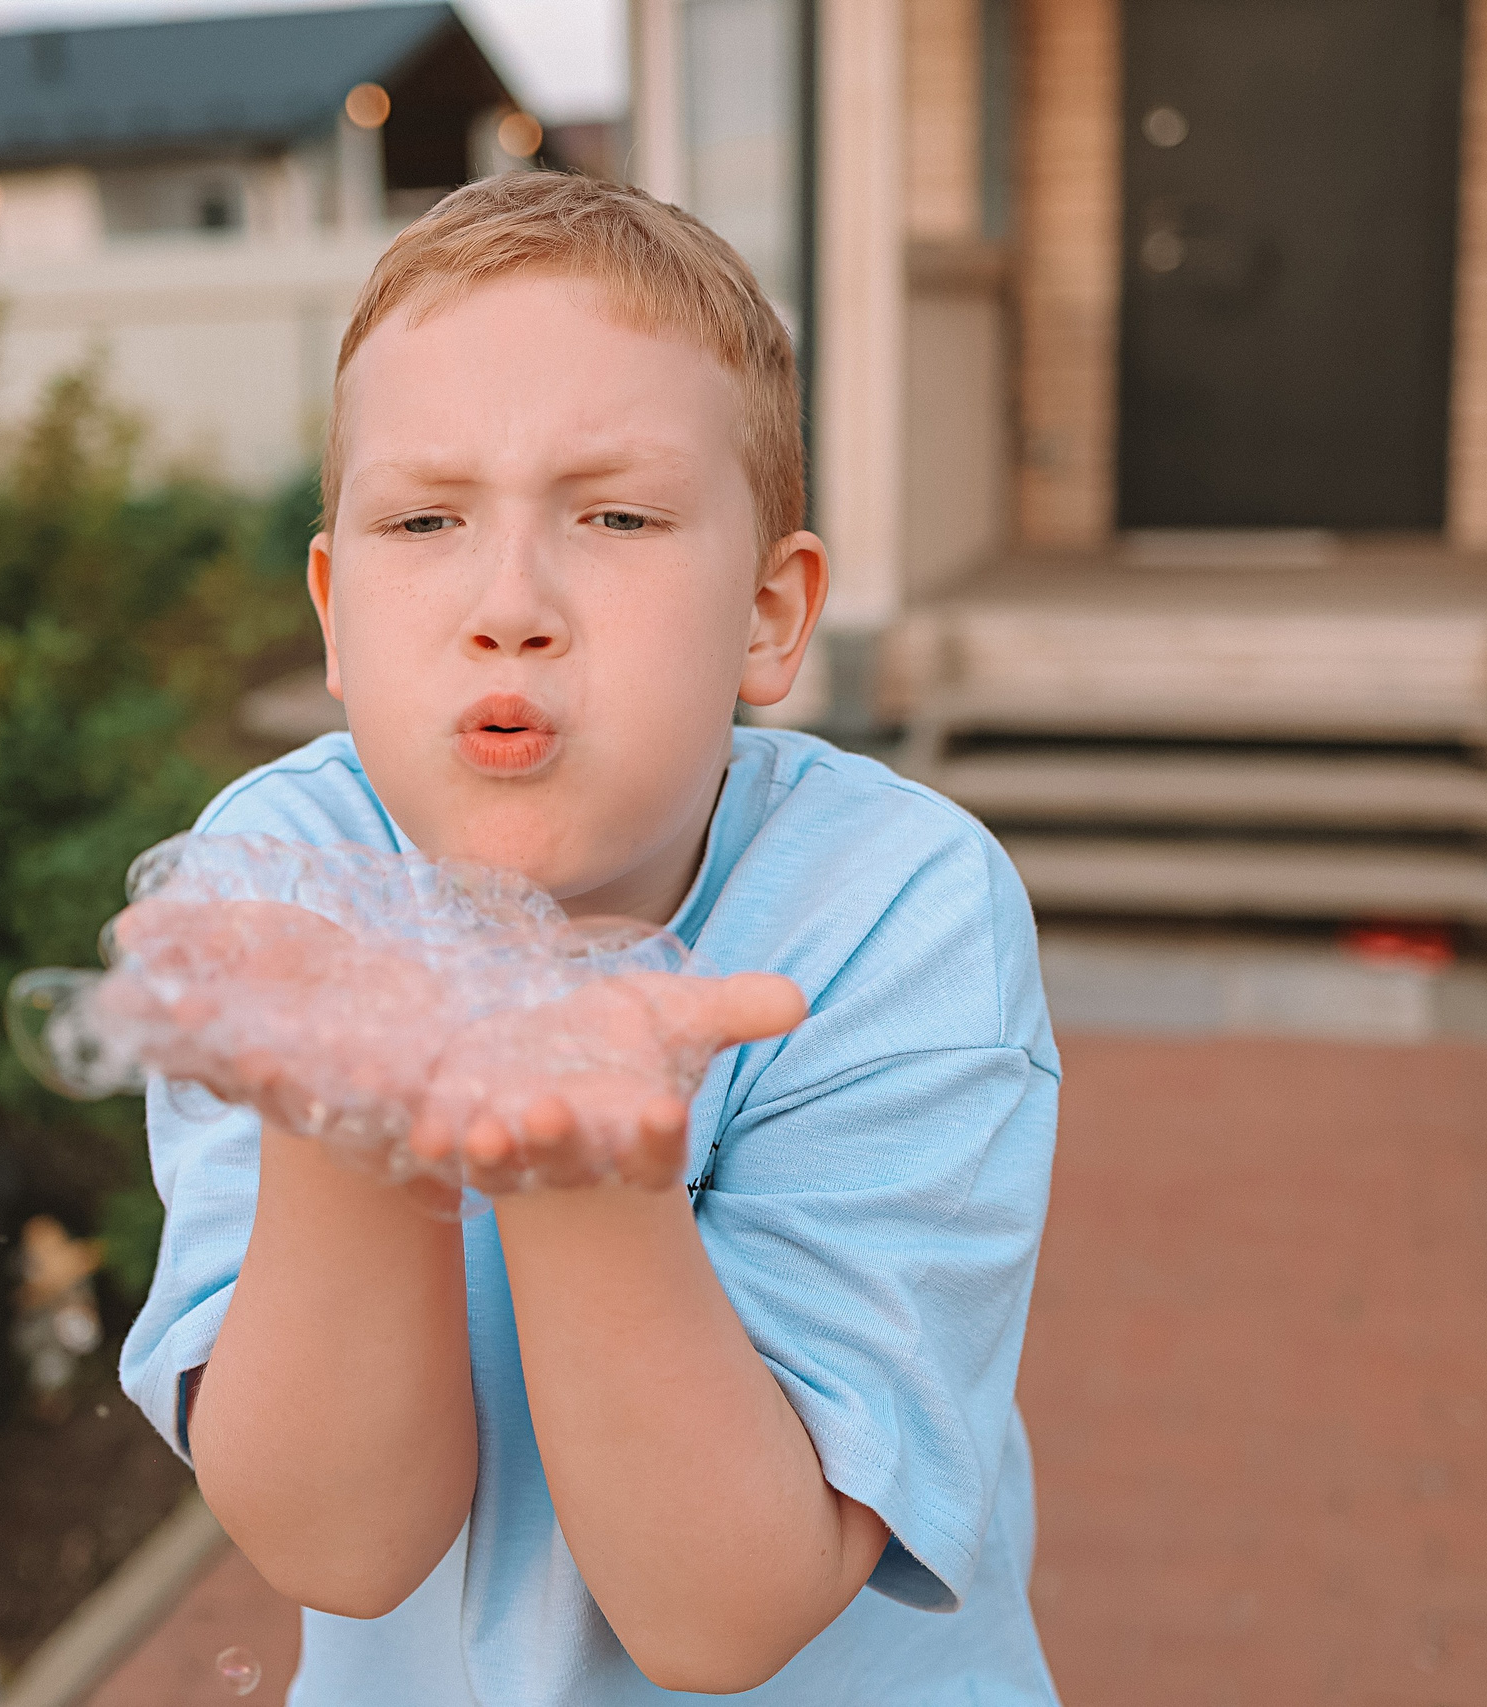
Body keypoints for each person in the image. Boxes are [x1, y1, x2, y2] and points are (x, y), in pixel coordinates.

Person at [118, 171, 1061, 1704]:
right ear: (337, 612)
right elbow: (339, 1549)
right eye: (425, 520)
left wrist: (589, 1167)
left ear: (769, 613)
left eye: (615, 515)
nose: (511, 603)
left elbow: (721, 1621)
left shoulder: (894, 906)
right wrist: (345, 1112)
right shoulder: (279, 886)